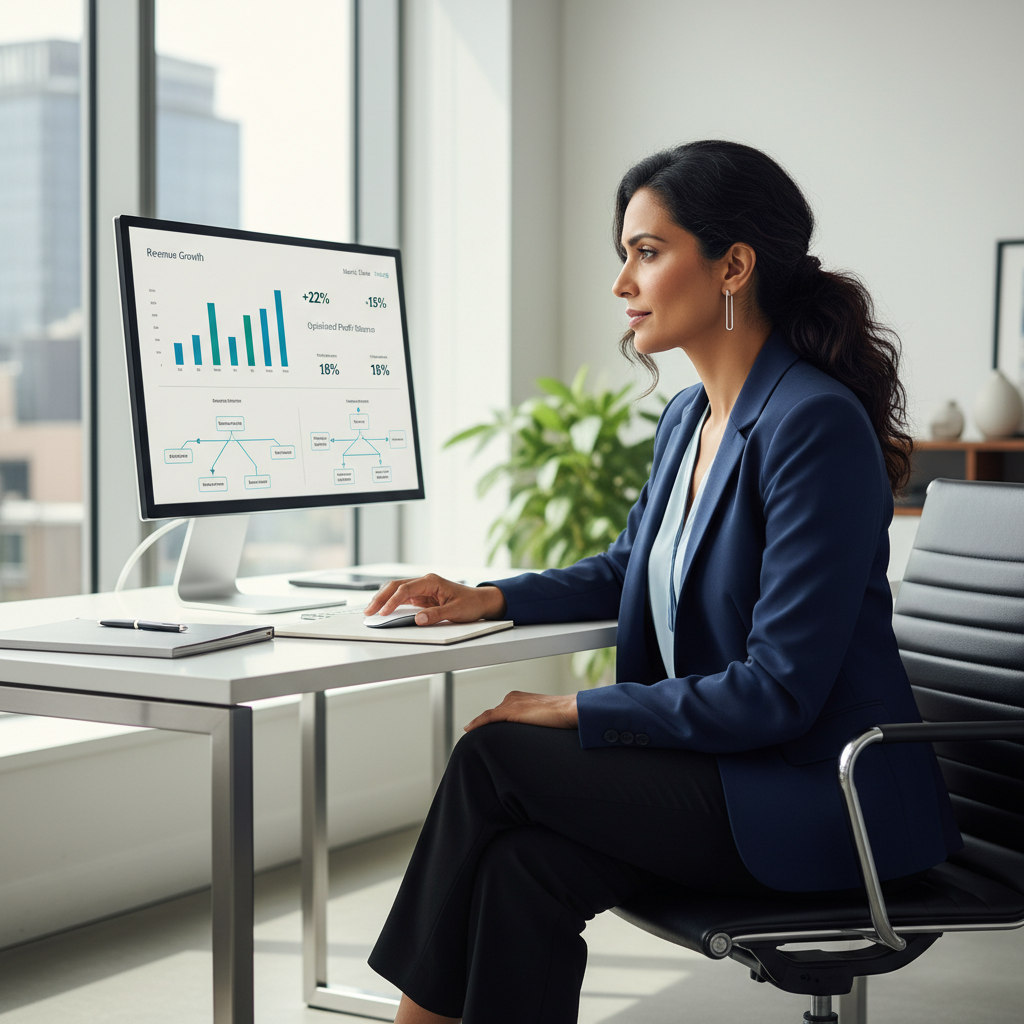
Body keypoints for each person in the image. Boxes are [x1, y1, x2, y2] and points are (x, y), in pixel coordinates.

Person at [363, 140, 962, 1024]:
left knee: (494, 754)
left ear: (734, 266)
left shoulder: (813, 426)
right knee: (518, 868)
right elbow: (631, 570)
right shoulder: (688, 416)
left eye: (647, 252)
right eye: (624, 255)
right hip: (734, 775)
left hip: (823, 798)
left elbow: (780, 692)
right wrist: (491, 597)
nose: (622, 283)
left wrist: (575, 710)